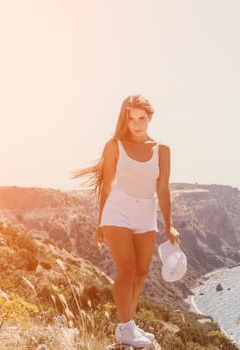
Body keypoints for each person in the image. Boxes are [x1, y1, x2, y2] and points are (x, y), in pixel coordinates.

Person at [74, 94, 180, 347]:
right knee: (127, 270)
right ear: (125, 118)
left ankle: (129, 326)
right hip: (117, 210)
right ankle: (126, 328)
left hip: (146, 212)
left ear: (150, 118)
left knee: (142, 272)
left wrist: (169, 224)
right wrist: (100, 223)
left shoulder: (162, 149)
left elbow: (163, 189)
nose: (136, 124)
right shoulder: (114, 146)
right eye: (130, 118)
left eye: (141, 118)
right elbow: (106, 187)